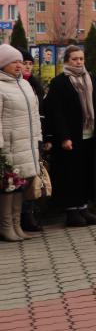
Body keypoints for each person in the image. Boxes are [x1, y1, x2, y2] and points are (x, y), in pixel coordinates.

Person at [44, 45, 96, 226]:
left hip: (90, 134)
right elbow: (56, 113)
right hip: (71, 137)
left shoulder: (92, 79)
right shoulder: (59, 82)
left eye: (81, 59)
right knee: (70, 173)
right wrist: (64, 137)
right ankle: (71, 211)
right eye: (74, 59)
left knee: (86, 172)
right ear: (66, 61)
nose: (79, 62)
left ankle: (83, 207)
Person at [0, 43, 43, 241]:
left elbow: (34, 115)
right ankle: (6, 226)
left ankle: (17, 225)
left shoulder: (25, 84)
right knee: (8, 185)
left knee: (20, 184)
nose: (19, 65)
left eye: (20, 61)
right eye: (13, 61)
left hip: (26, 144)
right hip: (9, 145)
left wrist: (38, 139)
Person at [17, 48, 46, 233]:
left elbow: (40, 114)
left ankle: (29, 215)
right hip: (19, 139)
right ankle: (19, 218)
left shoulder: (34, 85)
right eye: (23, 63)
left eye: (29, 64)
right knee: (18, 181)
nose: (26, 67)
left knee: (32, 178)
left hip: (34, 137)